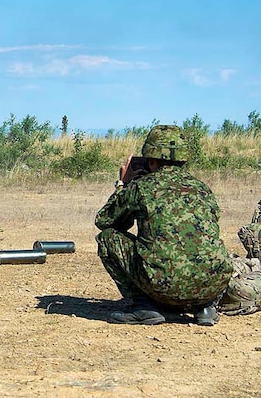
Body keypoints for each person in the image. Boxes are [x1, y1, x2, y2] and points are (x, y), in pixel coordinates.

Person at [95, 124, 232, 326]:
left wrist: (123, 186)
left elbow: (105, 221)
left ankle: (144, 306)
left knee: (107, 238)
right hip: (212, 284)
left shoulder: (141, 187)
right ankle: (204, 308)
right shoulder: (202, 188)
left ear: (150, 159)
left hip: (162, 284)